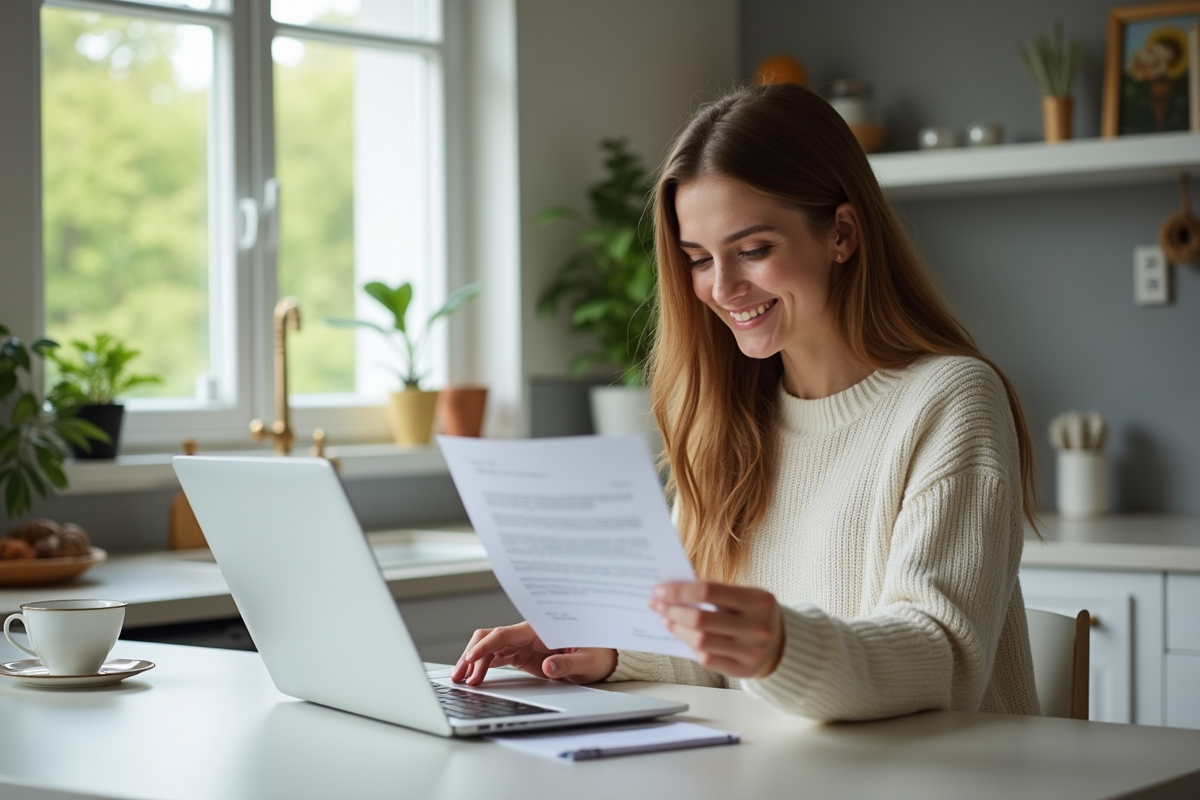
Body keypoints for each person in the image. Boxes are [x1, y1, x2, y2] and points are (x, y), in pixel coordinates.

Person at [452, 82, 1040, 721]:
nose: (723, 287)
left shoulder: (949, 400)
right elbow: (715, 657)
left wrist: (784, 646)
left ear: (841, 234)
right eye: (699, 259)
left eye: (754, 250)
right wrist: (609, 648)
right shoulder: (725, 420)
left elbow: (941, 658)